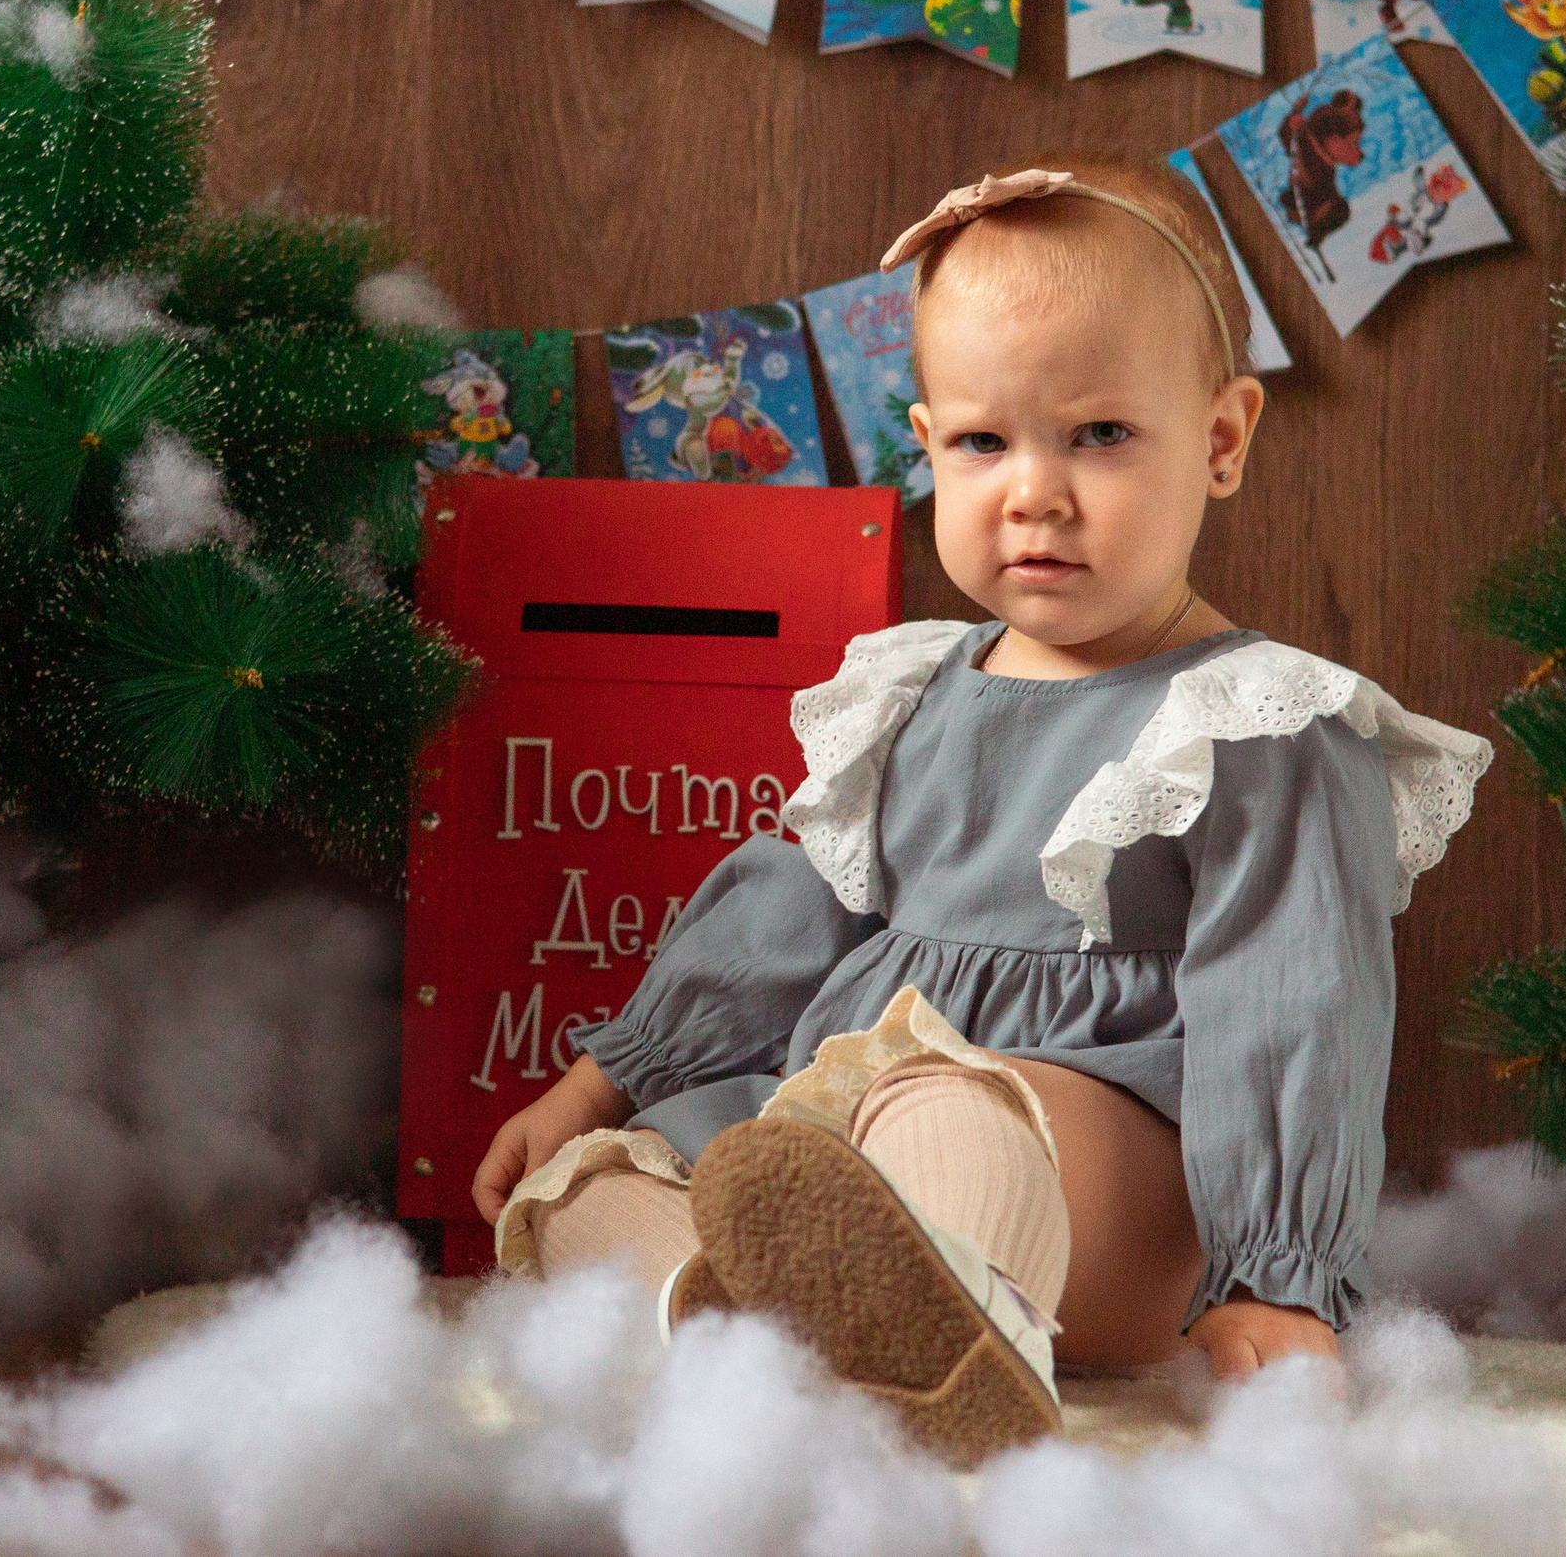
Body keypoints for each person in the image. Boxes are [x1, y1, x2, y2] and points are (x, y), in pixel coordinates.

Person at [469, 157, 1493, 1467]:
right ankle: (722, 1313)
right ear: (929, 446)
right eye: (982, 443)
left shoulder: (1256, 724)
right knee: (602, 1187)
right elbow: (794, 914)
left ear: (1223, 440)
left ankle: (966, 1335)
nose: (1034, 494)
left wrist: (1278, 1276)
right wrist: (604, 1082)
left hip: (1112, 1190)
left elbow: (1297, 1004)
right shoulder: (911, 690)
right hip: (845, 1143)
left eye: (1100, 436)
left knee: (961, 1104)